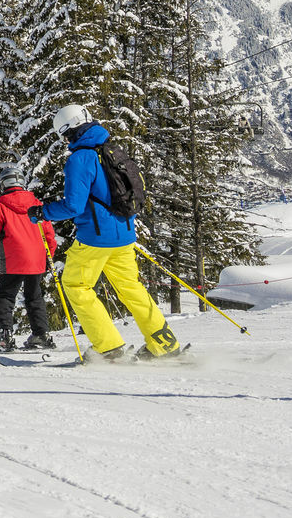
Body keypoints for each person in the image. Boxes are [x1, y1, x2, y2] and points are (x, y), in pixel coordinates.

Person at [30, 104, 182, 363]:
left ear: (69, 131)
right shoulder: (114, 150)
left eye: (63, 135)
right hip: (124, 234)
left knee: (76, 285)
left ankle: (108, 347)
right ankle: (164, 344)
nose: (64, 141)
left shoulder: (80, 158)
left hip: (95, 238)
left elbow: (73, 206)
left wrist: (42, 212)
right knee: (131, 288)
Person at [0, 169, 61, 351]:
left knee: (6, 296)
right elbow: (49, 234)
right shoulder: (36, 204)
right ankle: (41, 334)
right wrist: (48, 256)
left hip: (13, 258)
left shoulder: (0, 204)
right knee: (34, 296)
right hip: (36, 258)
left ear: (4, 184)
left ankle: (4, 335)